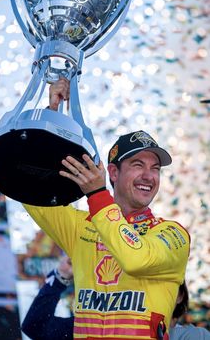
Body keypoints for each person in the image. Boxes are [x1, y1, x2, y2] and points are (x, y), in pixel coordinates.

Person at [23, 78, 190, 340]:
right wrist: (51, 117)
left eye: (155, 168)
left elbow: (135, 259)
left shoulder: (173, 234)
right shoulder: (81, 228)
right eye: (138, 165)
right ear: (113, 172)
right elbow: (30, 189)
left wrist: (98, 195)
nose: (149, 176)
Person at [21, 255, 74, 340]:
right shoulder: (89, 326)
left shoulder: (91, 326)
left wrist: (59, 279)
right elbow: (36, 327)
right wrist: (61, 276)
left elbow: (35, 327)